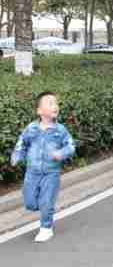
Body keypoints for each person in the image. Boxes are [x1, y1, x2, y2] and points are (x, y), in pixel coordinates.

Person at [10, 92, 76, 242]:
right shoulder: (31, 128)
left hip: (51, 173)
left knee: (46, 202)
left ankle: (46, 228)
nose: (55, 106)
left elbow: (71, 146)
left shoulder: (60, 130)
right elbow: (22, 142)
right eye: (50, 103)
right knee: (30, 203)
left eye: (56, 103)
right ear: (39, 111)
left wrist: (61, 153)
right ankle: (43, 208)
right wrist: (17, 155)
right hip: (32, 172)